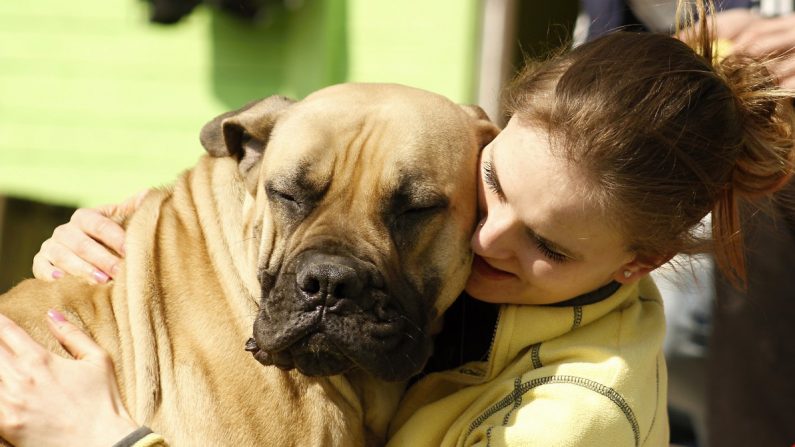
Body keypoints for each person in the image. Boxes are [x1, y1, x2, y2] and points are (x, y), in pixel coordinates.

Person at [3, 0, 794, 444]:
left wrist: (100, 438)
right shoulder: (238, 202)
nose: (488, 239)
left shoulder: (574, 413)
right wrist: (104, 236)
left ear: (637, 263)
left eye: (411, 212)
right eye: (488, 190)